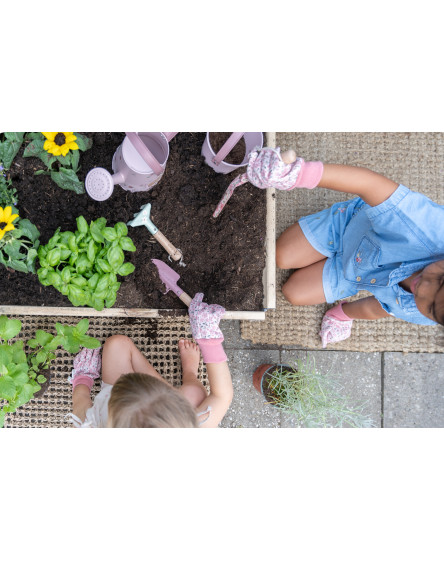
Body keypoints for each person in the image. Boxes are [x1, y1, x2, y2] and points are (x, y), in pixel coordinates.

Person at [272, 154, 444, 346]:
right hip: (347, 226)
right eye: (441, 280)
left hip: (353, 274)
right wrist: (298, 173)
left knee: (294, 293)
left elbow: (382, 307)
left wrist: (343, 314)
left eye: (430, 306)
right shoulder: (430, 229)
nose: (422, 289)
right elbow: (370, 184)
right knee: (281, 256)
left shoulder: (428, 313)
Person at [67, 293, 233, 427]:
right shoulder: (190, 429)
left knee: (117, 344)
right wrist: (208, 338)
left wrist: (83, 380)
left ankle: (88, 376)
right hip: (174, 409)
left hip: (112, 400)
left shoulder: (94, 425)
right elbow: (222, 395)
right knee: (194, 394)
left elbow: (80, 405)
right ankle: (190, 372)